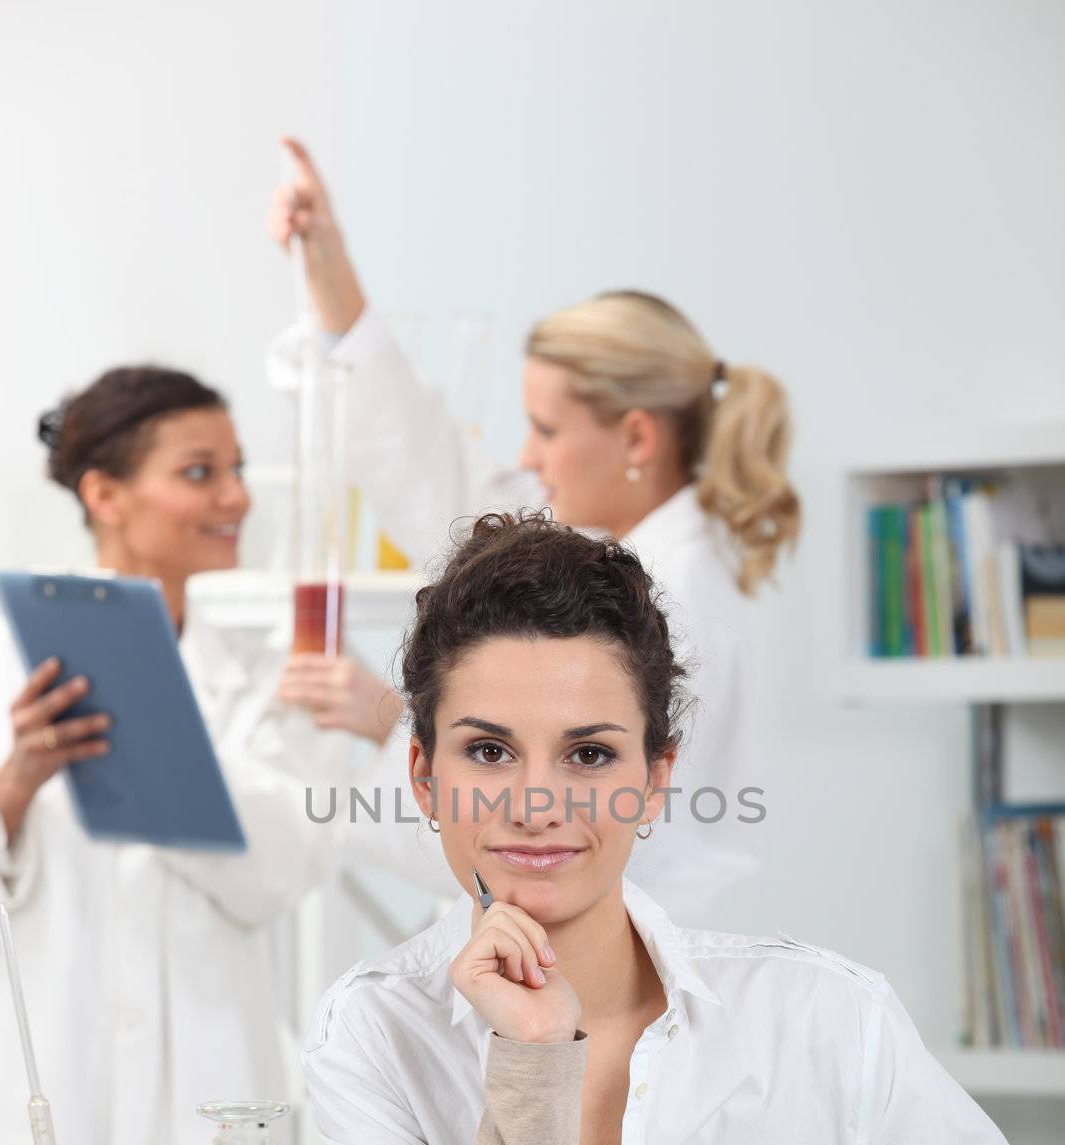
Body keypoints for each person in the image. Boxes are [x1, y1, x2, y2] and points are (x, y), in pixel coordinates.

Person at [304, 511, 1065, 1145]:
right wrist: (531, 1067)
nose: (537, 803)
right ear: (423, 775)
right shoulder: (373, 1033)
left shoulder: (825, 1022)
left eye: (588, 755)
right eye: (488, 751)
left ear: (655, 778)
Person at [268, 138, 801, 925]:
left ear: (637, 439)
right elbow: (438, 478)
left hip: (608, 960)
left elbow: (565, 815)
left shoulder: (673, 598)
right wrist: (331, 276)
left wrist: (399, 718)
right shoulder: (613, 554)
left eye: (546, 430)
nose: (526, 456)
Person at [0, 366, 344, 1145]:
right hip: (49, 1072)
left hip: (210, 1083)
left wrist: (153, 747)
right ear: (105, 493)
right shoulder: (11, 669)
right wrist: (19, 780)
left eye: (237, 469)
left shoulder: (272, 675)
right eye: (200, 473)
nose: (234, 497)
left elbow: (289, 869)